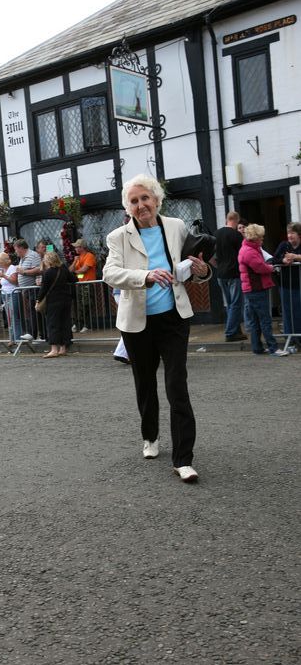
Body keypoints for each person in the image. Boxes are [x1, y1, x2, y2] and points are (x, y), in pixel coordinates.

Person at [103, 173, 212, 483]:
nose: (141, 205)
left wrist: (202, 271)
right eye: (134, 201)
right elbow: (110, 273)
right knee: (145, 383)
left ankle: (183, 459)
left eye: (145, 198)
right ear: (129, 207)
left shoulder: (175, 227)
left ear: (156, 200)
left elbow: (194, 269)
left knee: (177, 385)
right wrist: (146, 276)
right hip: (137, 323)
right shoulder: (118, 237)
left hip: (173, 318)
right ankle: (150, 436)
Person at [238, 224, 288, 357]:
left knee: (255, 320)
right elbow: (260, 268)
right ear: (255, 238)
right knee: (265, 320)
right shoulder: (249, 251)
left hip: (251, 289)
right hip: (256, 289)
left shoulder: (249, 249)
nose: (262, 240)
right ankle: (273, 348)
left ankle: (257, 348)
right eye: (261, 237)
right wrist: (272, 268)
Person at [34, 250, 77, 358]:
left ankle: (54, 349)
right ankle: (63, 348)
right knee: (65, 323)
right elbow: (74, 279)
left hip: (53, 301)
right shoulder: (63, 270)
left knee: (53, 324)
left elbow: (44, 289)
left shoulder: (47, 273)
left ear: (48, 260)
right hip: (66, 300)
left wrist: (38, 300)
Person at [214, 210, 247, 342]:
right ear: (236, 220)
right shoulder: (236, 235)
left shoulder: (216, 234)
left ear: (227, 219)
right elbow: (243, 255)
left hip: (221, 274)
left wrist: (218, 266)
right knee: (236, 304)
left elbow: (210, 256)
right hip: (234, 273)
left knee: (229, 304)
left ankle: (236, 331)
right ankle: (230, 332)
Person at [272, 222, 301, 350]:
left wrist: (295, 257)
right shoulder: (284, 245)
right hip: (286, 285)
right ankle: (291, 340)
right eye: (288, 233)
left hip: (299, 284)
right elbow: (273, 260)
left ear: (299, 235)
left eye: (292, 233)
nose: (289, 236)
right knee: (288, 312)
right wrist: (283, 261)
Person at [14, 238, 41, 339]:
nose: (15, 252)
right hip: (26, 289)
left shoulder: (32, 255)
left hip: (33, 288)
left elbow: (39, 269)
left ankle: (33, 334)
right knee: (29, 312)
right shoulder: (23, 257)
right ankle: (32, 334)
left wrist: (23, 272)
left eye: (16, 249)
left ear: (21, 248)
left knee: (33, 311)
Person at [69, 238, 97, 333]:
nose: (75, 249)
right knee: (79, 305)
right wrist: (74, 262)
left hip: (87, 284)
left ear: (82, 247)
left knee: (86, 304)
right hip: (80, 284)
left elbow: (84, 270)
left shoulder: (89, 256)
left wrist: (75, 272)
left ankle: (87, 325)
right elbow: (70, 270)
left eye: (77, 247)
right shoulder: (78, 258)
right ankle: (79, 324)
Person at [0, 251, 20, 345]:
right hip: (5, 294)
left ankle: (17, 338)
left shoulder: (12, 268)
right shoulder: (3, 270)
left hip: (12, 294)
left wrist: (4, 276)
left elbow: (14, 281)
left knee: (14, 317)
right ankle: (12, 338)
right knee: (9, 318)